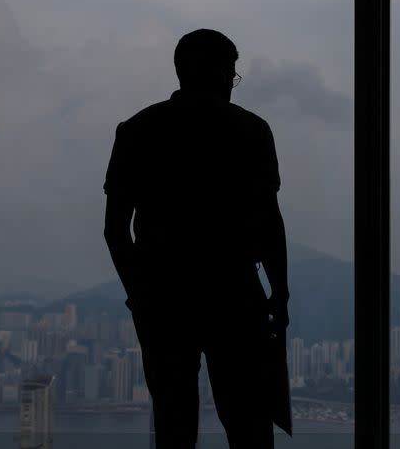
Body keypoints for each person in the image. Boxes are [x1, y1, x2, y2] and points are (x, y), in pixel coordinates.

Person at [103, 28, 289, 448]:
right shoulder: (251, 130)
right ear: (224, 73)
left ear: (180, 71)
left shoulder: (136, 130)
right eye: (233, 75)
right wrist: (280, 293)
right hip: (235, 295)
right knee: (249, 424)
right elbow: (269, 223)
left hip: (164, 300)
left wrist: (140, 293)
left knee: (173, 423)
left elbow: (114, 230)